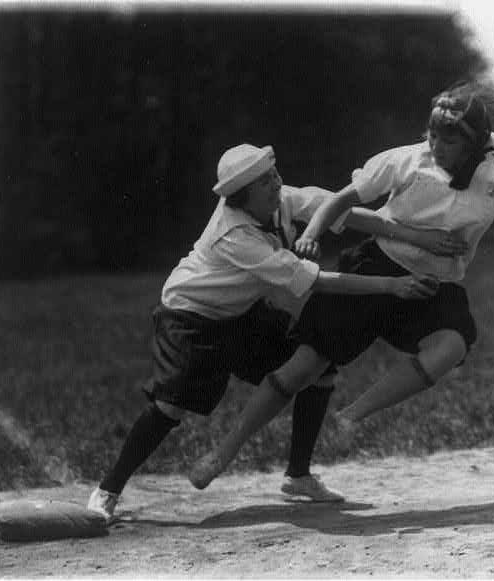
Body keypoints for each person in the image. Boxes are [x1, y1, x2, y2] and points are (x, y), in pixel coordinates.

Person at [188, 83, 494, 489]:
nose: (436, 146)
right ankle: (223, 452)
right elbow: (340, 200)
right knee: (303, 367)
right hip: (375, 265)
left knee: (452, 345)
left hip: (433, 285)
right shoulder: (405, 161)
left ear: (473, 144)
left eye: (448, 140)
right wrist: (310, 233)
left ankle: (352, 415)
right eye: (432, 135)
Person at [87, 142, 441, 522]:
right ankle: (108, 490)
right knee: (170, 406)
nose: (276, 183)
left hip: (241, 313)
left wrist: (414, 236)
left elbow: (341, 210)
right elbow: (315, 281)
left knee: (319, 368)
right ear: (242, 196)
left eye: (274, 174)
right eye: (264, 182)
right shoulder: (233, 235)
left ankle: (298, 476)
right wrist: (391, 285)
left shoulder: (281, 201)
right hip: (191, 316)